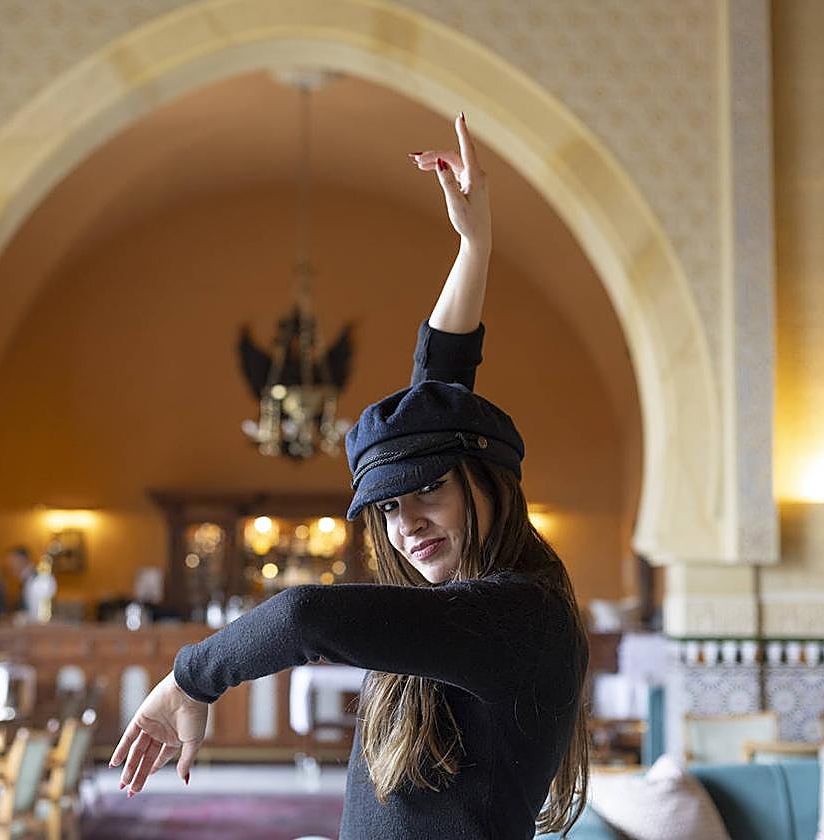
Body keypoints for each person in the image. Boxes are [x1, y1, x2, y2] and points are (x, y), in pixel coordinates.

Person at [110, 113, 590, 839]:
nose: (408, 525)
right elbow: (437, 395)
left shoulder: (521, 617)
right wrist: (475, 247)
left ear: (488, 481)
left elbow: (307, 615)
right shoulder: (463, 613)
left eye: (429, 490)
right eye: (390, 508)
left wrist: (189, 677)